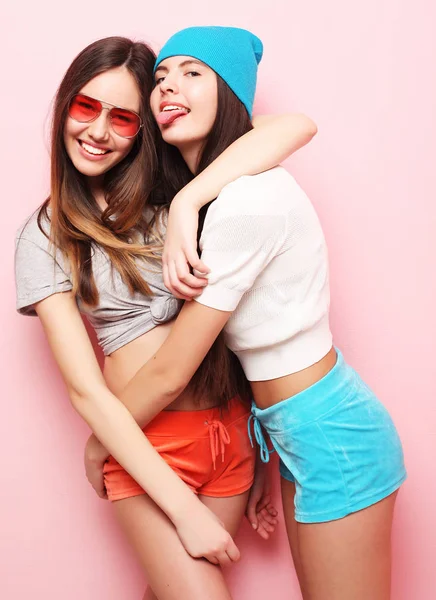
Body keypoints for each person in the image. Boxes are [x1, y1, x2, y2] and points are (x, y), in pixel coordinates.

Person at [101, 26, 407, 600]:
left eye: (194, 73)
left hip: (329, 432)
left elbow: (172, 369)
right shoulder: (223, 189)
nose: (168, 86)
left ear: (228, 93)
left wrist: (103, 441)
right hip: (297, 427)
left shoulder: (244, 203)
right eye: (161, 76)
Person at [15, 35, 318, 600]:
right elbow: (85, 392)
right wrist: (181, 510)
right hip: (144, 451)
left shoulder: (181, 191)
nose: (98, 131)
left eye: (123, 117)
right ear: (63, 109)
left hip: (230, 436)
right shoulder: (44, 234)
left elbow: (294, 126)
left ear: (142, 128)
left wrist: (185, 201)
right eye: (85, 107)